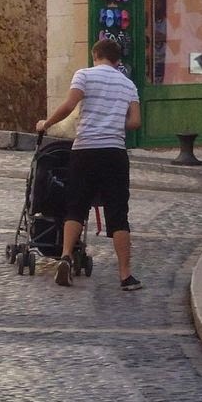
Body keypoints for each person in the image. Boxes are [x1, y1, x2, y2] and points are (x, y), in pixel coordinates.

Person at [35, 38, 143, 290]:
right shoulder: (128, 84)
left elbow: (69, 105)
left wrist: (46, 123)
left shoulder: (84, 75)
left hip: (85, 150)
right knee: (118, 214)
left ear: (95, 55)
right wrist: (114, 121)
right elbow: (135, 122)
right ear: (118, 61)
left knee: (75, 207)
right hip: (114, 152)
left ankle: (65, 257)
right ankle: (125, 275)